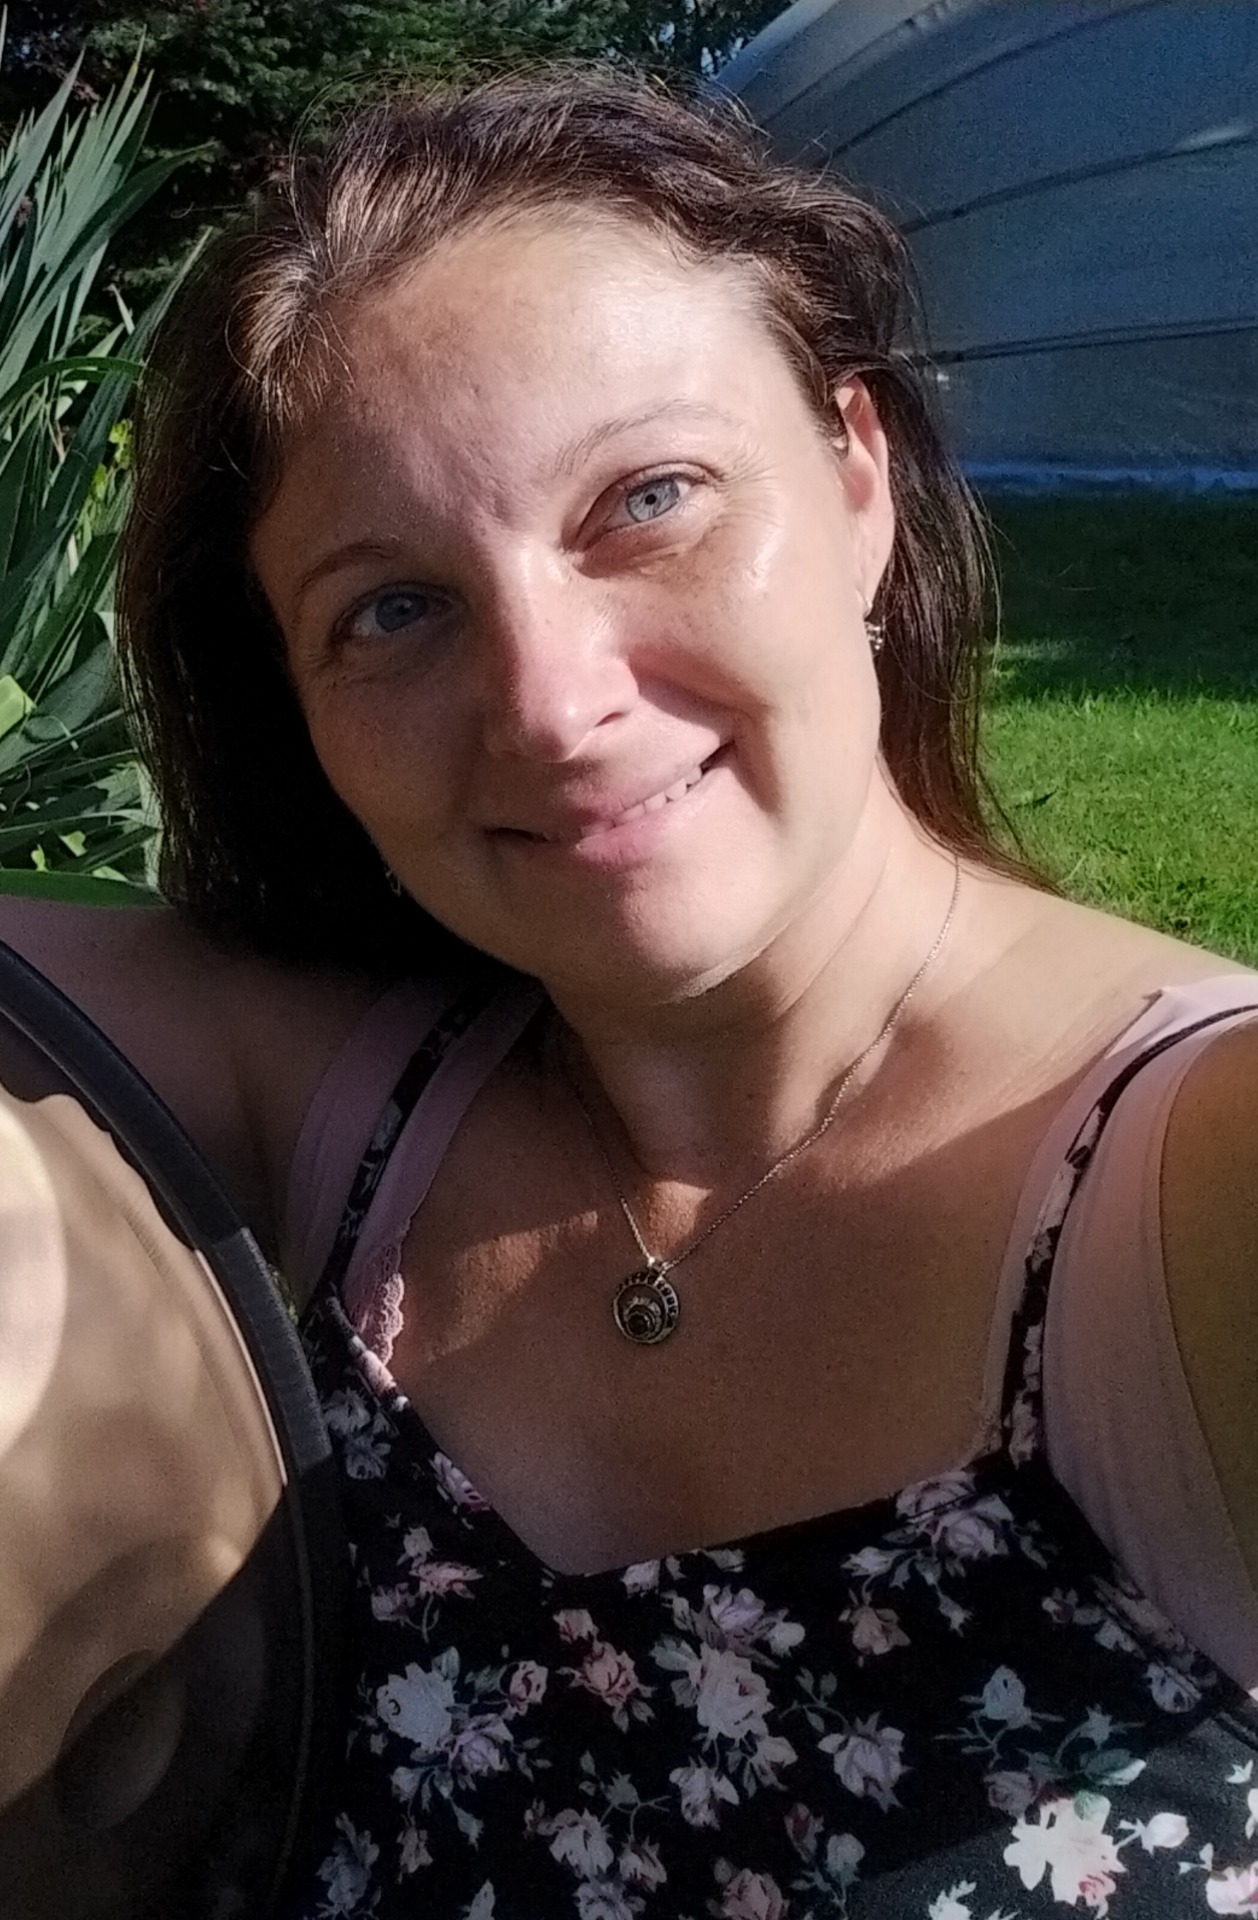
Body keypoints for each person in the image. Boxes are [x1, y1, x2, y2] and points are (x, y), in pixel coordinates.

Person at [5, 64, 1258, 1919]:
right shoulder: (361, 1102)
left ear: (858, 479)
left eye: (648, 499)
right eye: (392, 609)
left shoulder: (1177, 1194)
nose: (548, 701)